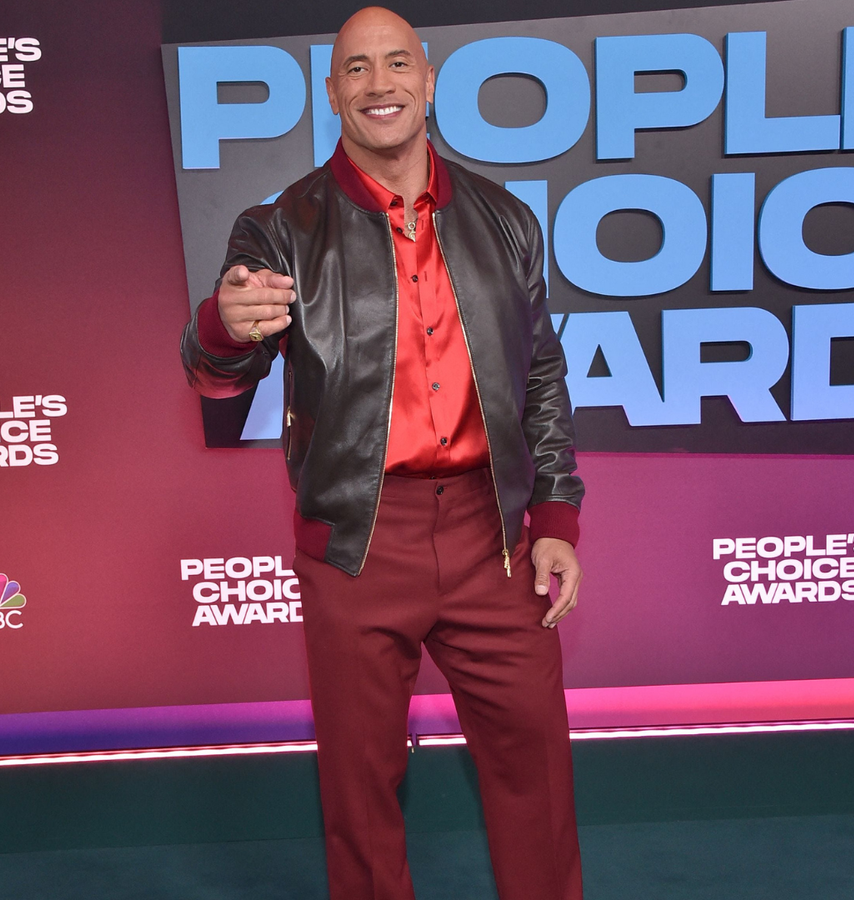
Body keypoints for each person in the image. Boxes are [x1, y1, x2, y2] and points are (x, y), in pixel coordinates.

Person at [182, 8, 585, 899]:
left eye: (396, 64)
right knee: (360, 796)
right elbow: (216, 373)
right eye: (357, 70)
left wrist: (555, 512)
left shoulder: (506, 218)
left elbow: (542, 373)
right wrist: (222, 325)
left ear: (429, 79)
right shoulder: (280, 227)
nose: (380, 85)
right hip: (360, 543)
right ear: (332, 94)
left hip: (496, 538)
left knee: (538, 778)